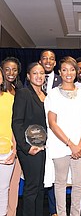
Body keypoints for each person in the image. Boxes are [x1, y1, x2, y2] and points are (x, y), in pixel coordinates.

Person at [44, 56, 81, 216]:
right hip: (60, 146)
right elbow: (52, 123)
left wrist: (78, 145)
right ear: (60, 72)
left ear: (77, 71)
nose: (69, 73)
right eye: (64, 70)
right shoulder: (53, 94)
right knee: (60, 183)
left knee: (79, 184)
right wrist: (70, 144)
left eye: (72, 69)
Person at [12, 62, 46, 216]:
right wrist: (26, 147)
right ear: (28, 76)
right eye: (35, 73)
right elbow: (17, 122)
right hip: (29, 149)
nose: (39, 76)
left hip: (43, 147)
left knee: (40, 186)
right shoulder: (24, 93)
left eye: (41, 73)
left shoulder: (46, 95)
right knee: (32, 187)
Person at [39, 49, 62, 216]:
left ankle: (54, 211)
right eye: (44, 58)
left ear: (55, 63)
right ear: (40, 61)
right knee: (40, 173)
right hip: (37, 135)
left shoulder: (63, 81)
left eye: (51, 59)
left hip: (56, 134)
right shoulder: (33, 80)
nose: (48, 61)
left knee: (55, 174)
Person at [1, 56, 23, 216]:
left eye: (14, 69)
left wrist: (16, 147)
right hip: (3, 146)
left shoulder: (20, 92)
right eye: (7, 69)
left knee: (13, 184)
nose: (11, 72)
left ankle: (11, 213)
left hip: (17, 145)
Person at [0, 67, 17, 216]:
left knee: (3, 188)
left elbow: (15, 126)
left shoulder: (11, 98)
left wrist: (15, 151)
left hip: (6, 151)